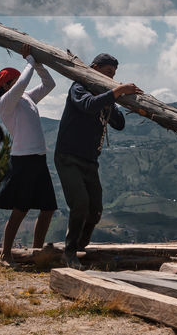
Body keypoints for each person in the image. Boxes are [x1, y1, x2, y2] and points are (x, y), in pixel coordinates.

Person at [54, 52, 140, 269]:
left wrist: (115, 98)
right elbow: (88, 105)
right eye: (107, 73)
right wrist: (117, 91)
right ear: (94, 69)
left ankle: (80, 245)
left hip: (90, 161)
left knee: (96, 209)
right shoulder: (79, 87)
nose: (111, 78)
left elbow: (119, 123)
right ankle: (70, 252)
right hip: (69, 157)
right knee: (80, 203)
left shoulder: (105, 97)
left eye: (113, 75)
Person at [0, 43, 58, 266]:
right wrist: (29, 60)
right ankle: (5, 255)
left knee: (48, 208)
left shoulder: (26, 98)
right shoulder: (5, 103)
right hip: (23, 161)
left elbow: (50, 84)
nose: (16, 82)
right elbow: (22, 84)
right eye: (12, 80)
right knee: (21, 209)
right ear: (5, 85)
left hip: (38, 159)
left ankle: (37, 253)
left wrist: (37, 64)